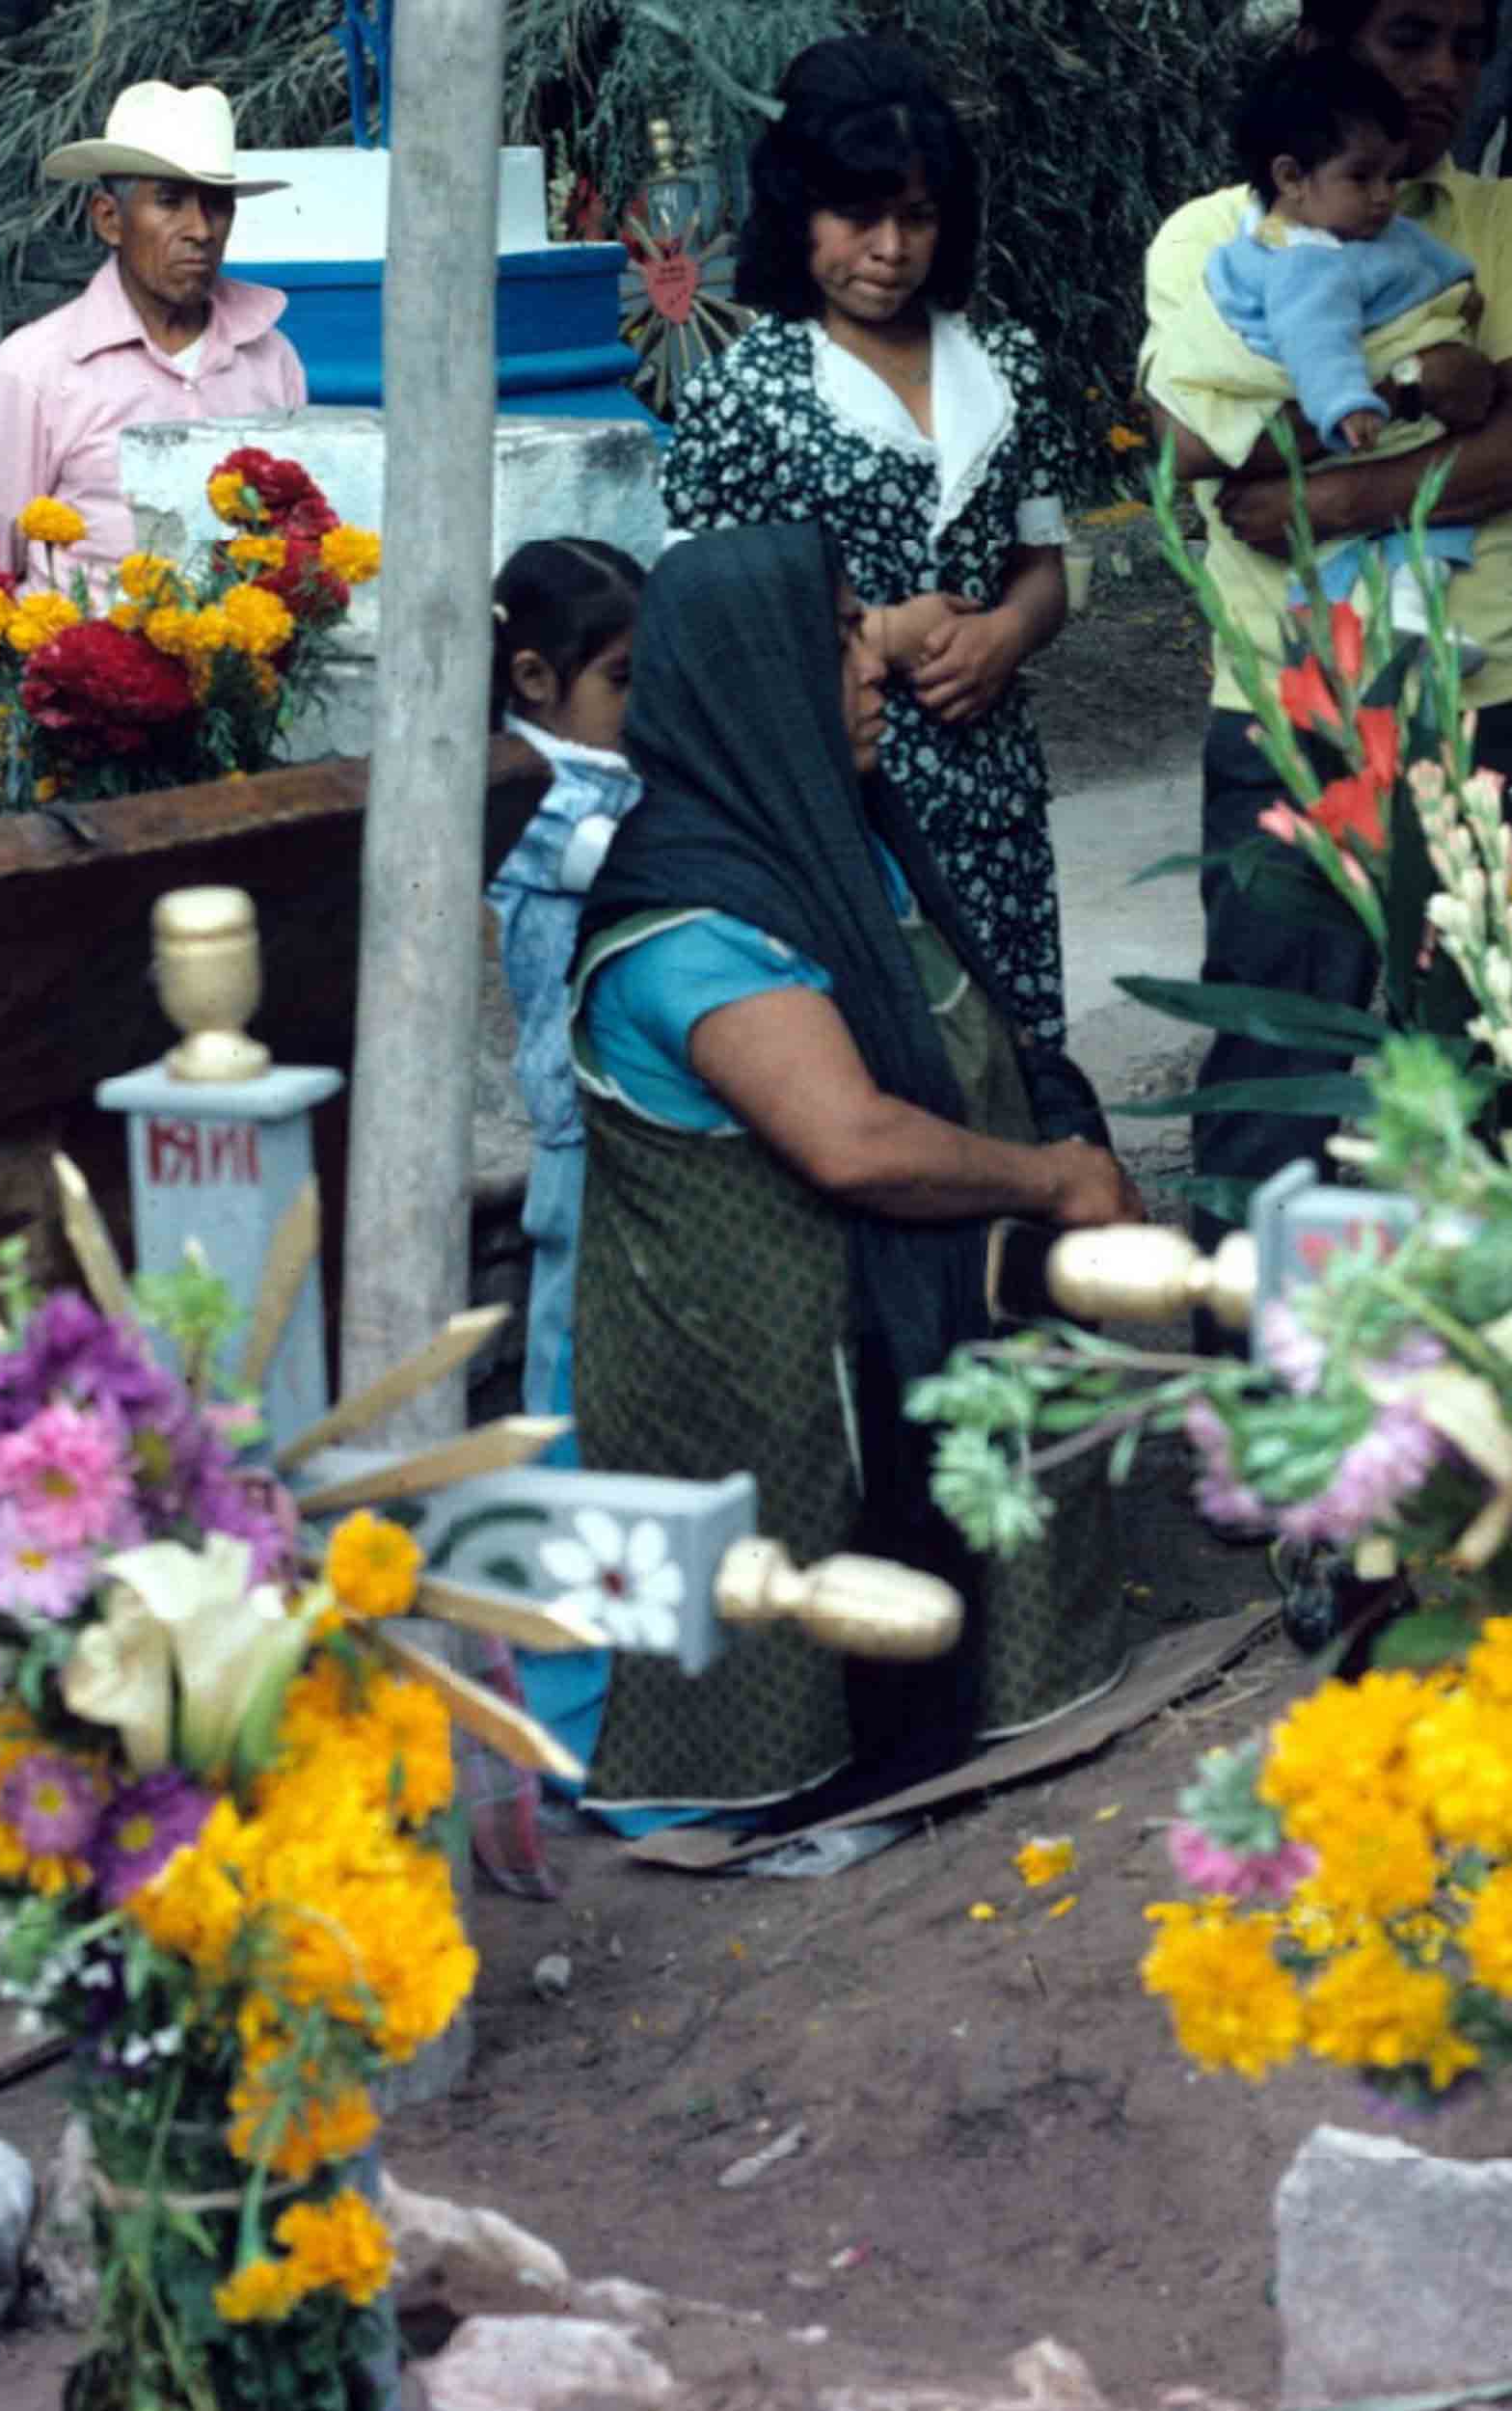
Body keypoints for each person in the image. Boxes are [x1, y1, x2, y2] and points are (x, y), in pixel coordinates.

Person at [565, 524, 1143, 1829]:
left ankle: (1006, 1686)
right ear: (757, 678)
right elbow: (853, 1144)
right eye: (836, 640)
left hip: (853, 1330)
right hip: (761, 1383)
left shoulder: (827, 838)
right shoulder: (693, 919)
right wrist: (1051, 1181)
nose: (872, 663)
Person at [1139, 0, 1512, 1244]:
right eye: (1406, 38)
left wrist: (1329, 492)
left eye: (1464, 42)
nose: (1444, 73)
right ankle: (1258, 1392)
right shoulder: (1206, 237)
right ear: (1319, 44)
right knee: (1274, 1062)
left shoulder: (1507, 221)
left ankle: (1486, 1396)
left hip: (1474, 704)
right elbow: (1209, 451)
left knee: (1489, 1062)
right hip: (1285, 717)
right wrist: (1434, 403)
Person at [657, 38, 1094, 1145]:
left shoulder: (1004, 362)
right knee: (880, 1072)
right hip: (838, 798)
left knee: (1008, 1060)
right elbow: (700, 620)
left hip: (989, 788)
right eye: (857, 216)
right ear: (796, 212)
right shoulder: (746, 392)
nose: (889, 249)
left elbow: (1040, 564)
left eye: (916, 215)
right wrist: (883, 632)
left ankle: (1012, 1280)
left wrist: (1006, 632)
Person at [479, 538, 648, 1827]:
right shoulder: (559, 808)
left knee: (607, 1439)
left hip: (610, 1143)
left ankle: (594, 1712)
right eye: (624, 683)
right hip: (583, 1150)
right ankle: (556, 1732)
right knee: (575, 1446)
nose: (646, 712)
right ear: (535, 680)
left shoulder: (590, 776)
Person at [1175, 50, 1487, 664]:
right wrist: (1347, 402)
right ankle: (1401, 616)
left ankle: (1387, 625)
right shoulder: (1308, 262)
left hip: (1361, 393)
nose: (1383, 198)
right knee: (1416, 518)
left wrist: (1462, 289)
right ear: (1291, 178)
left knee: (1394, 528)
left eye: (1392, 179)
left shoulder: (1355, 233)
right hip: (1340, 407)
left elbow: (1424, 259)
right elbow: (1317, 339)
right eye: (1362, 177)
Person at [0, 81, 307, 592]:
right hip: (79, 664)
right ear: (110, 220)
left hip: (242, 666)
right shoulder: (34, 371)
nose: (200, 229)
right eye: (170, 201)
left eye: (217, 204)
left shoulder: (272, 360)